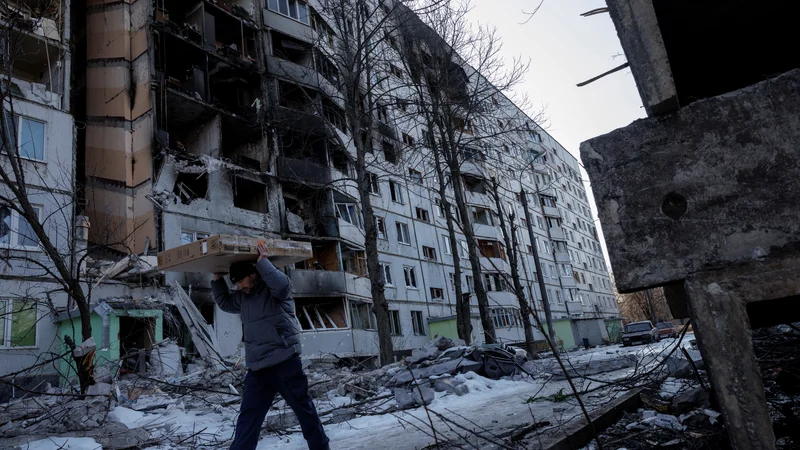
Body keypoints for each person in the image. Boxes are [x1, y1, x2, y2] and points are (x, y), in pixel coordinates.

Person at [211, 243, 330, 450]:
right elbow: (225, 303)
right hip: (258, 368)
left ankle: (320, 447)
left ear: (253, 274)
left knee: (303, 409)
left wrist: (263, 262)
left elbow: (283, 285)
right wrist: (217, 279)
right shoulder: (242, 298)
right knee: (249, 416)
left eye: (241, 280)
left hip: (284, 360)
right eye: (236, 283)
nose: (240, 286)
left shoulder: (275, 291)